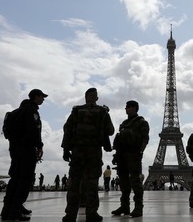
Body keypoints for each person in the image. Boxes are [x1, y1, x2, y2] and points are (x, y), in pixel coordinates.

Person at [61, 88, 115, 222]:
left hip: (77, 152)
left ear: (85, 97)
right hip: (93, 152)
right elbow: (110, 131)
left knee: (74, 184)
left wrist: (66, 149)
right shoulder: (102, 111)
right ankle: (91, 213)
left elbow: (67, 130)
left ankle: (70, 214)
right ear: (96, 98)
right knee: (92, 184)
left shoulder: (76, 111)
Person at [0, 89, 47, 221]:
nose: (43, 99)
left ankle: (6, 210)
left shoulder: (14, 113)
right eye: (42, 97)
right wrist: (39, 146)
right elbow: (33, 131)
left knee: (15, 179)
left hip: (14, 149)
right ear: (36, 97)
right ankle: (14, 211)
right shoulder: (31, 111)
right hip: (27, 149)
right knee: (24, 180)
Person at [111, 100, 150, 218]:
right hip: (122, 155)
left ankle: (138, 207)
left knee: (136, 182)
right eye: (126, 107)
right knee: (123, 183)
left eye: (128, 107)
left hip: (134, 155)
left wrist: (140, 152)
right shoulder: (123, 123)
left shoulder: (142, 122)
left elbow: (145, 139)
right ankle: (125, 206)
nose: (126, 109)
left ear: (134, 108)